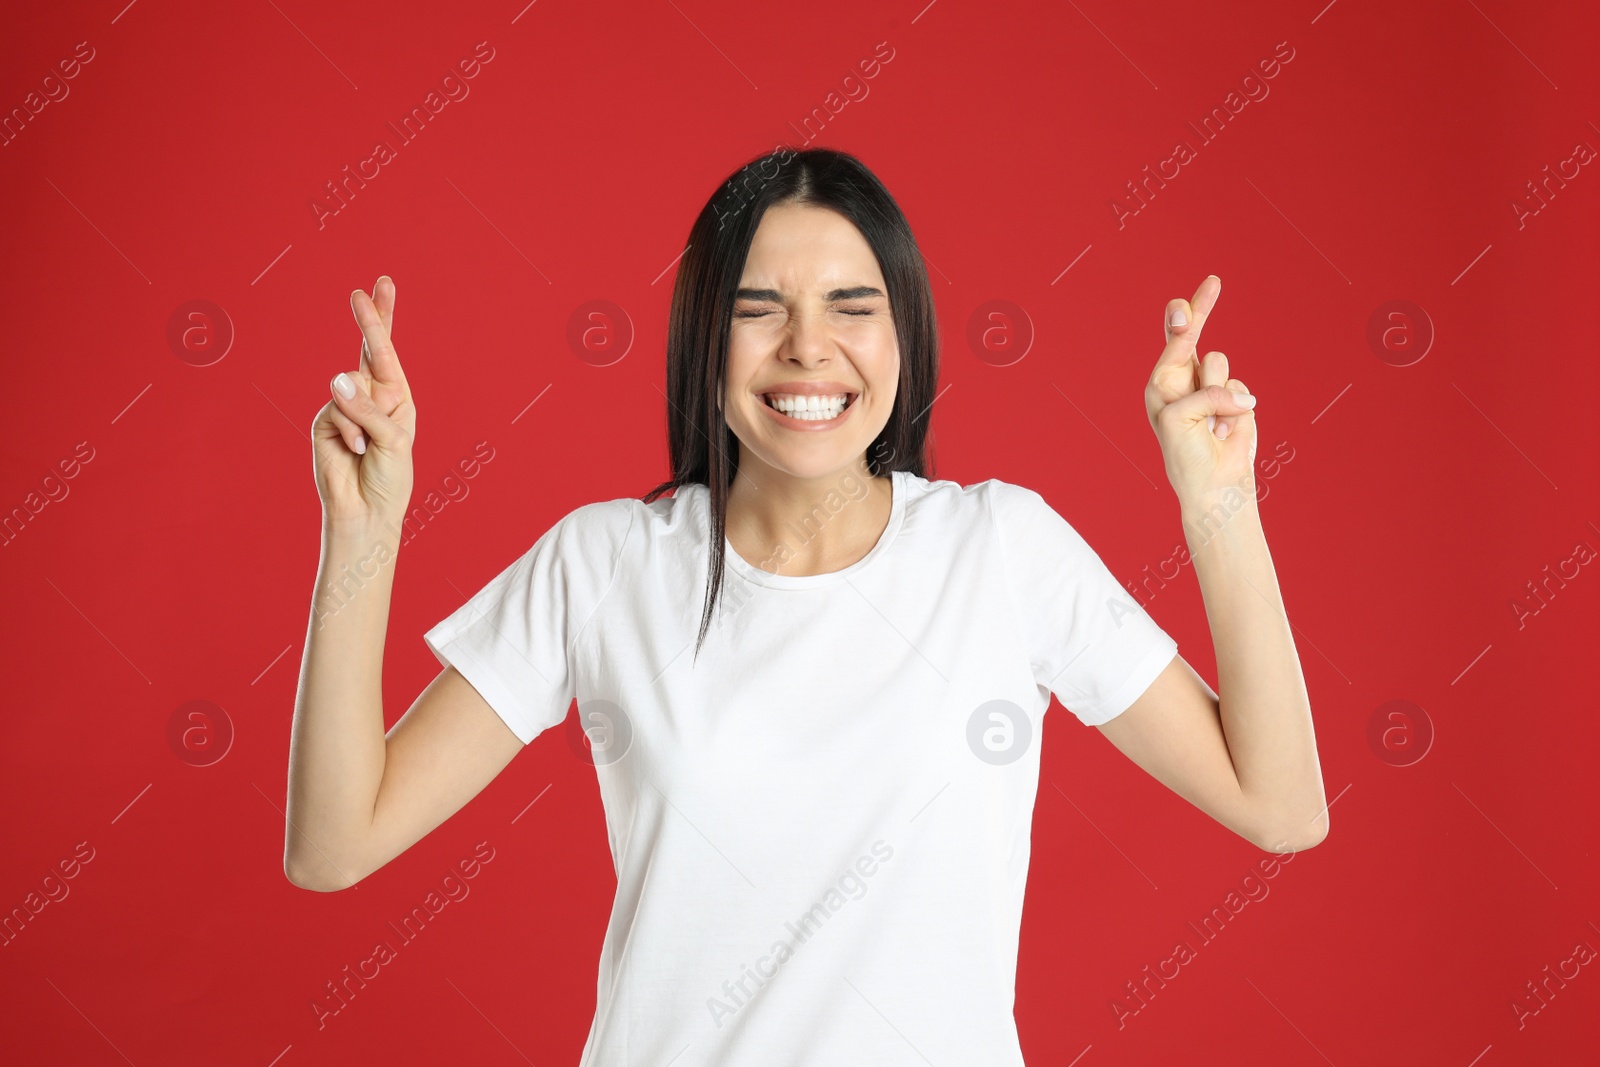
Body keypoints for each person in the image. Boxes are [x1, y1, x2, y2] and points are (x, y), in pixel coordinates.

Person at [284, 147, 1327, 1064]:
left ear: (903, 334)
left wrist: (1221, 504)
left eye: (850, 306)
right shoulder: (606, 564)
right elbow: (334, 843)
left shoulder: (1001, 549)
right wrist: (362, 537)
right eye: (757, 309)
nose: (806, 347)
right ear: (705, 341)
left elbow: (1278, 805)